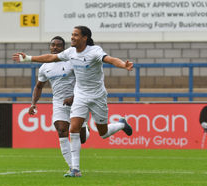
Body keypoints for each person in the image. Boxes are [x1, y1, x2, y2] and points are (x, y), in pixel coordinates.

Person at [13, 26, 133, 177]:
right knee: (71, 130)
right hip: (79, 96)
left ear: (85, 38)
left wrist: (123, 65)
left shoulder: (95, 51)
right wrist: (29, 58)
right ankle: (75, 169)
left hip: (97, 96)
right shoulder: (70, 53)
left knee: (102, 133)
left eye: (75, 35)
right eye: (72, 34)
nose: (72, 37)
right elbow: (50, 58)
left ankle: (121, 124)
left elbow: (110, 59)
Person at [28, 36, 89, 173]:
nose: (55, 47)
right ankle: (73, 168)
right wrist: (33, 104)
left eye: (59, 45)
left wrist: (74, 97)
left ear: (64, 48)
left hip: (78, 101)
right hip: (58, 102)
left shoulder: (72, 62)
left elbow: (84, 82)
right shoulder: (45, 67)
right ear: (50, 47)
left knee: (82, 138)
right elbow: (39, 86)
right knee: (62, 130)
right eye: (53, 45)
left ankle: (86, 128)